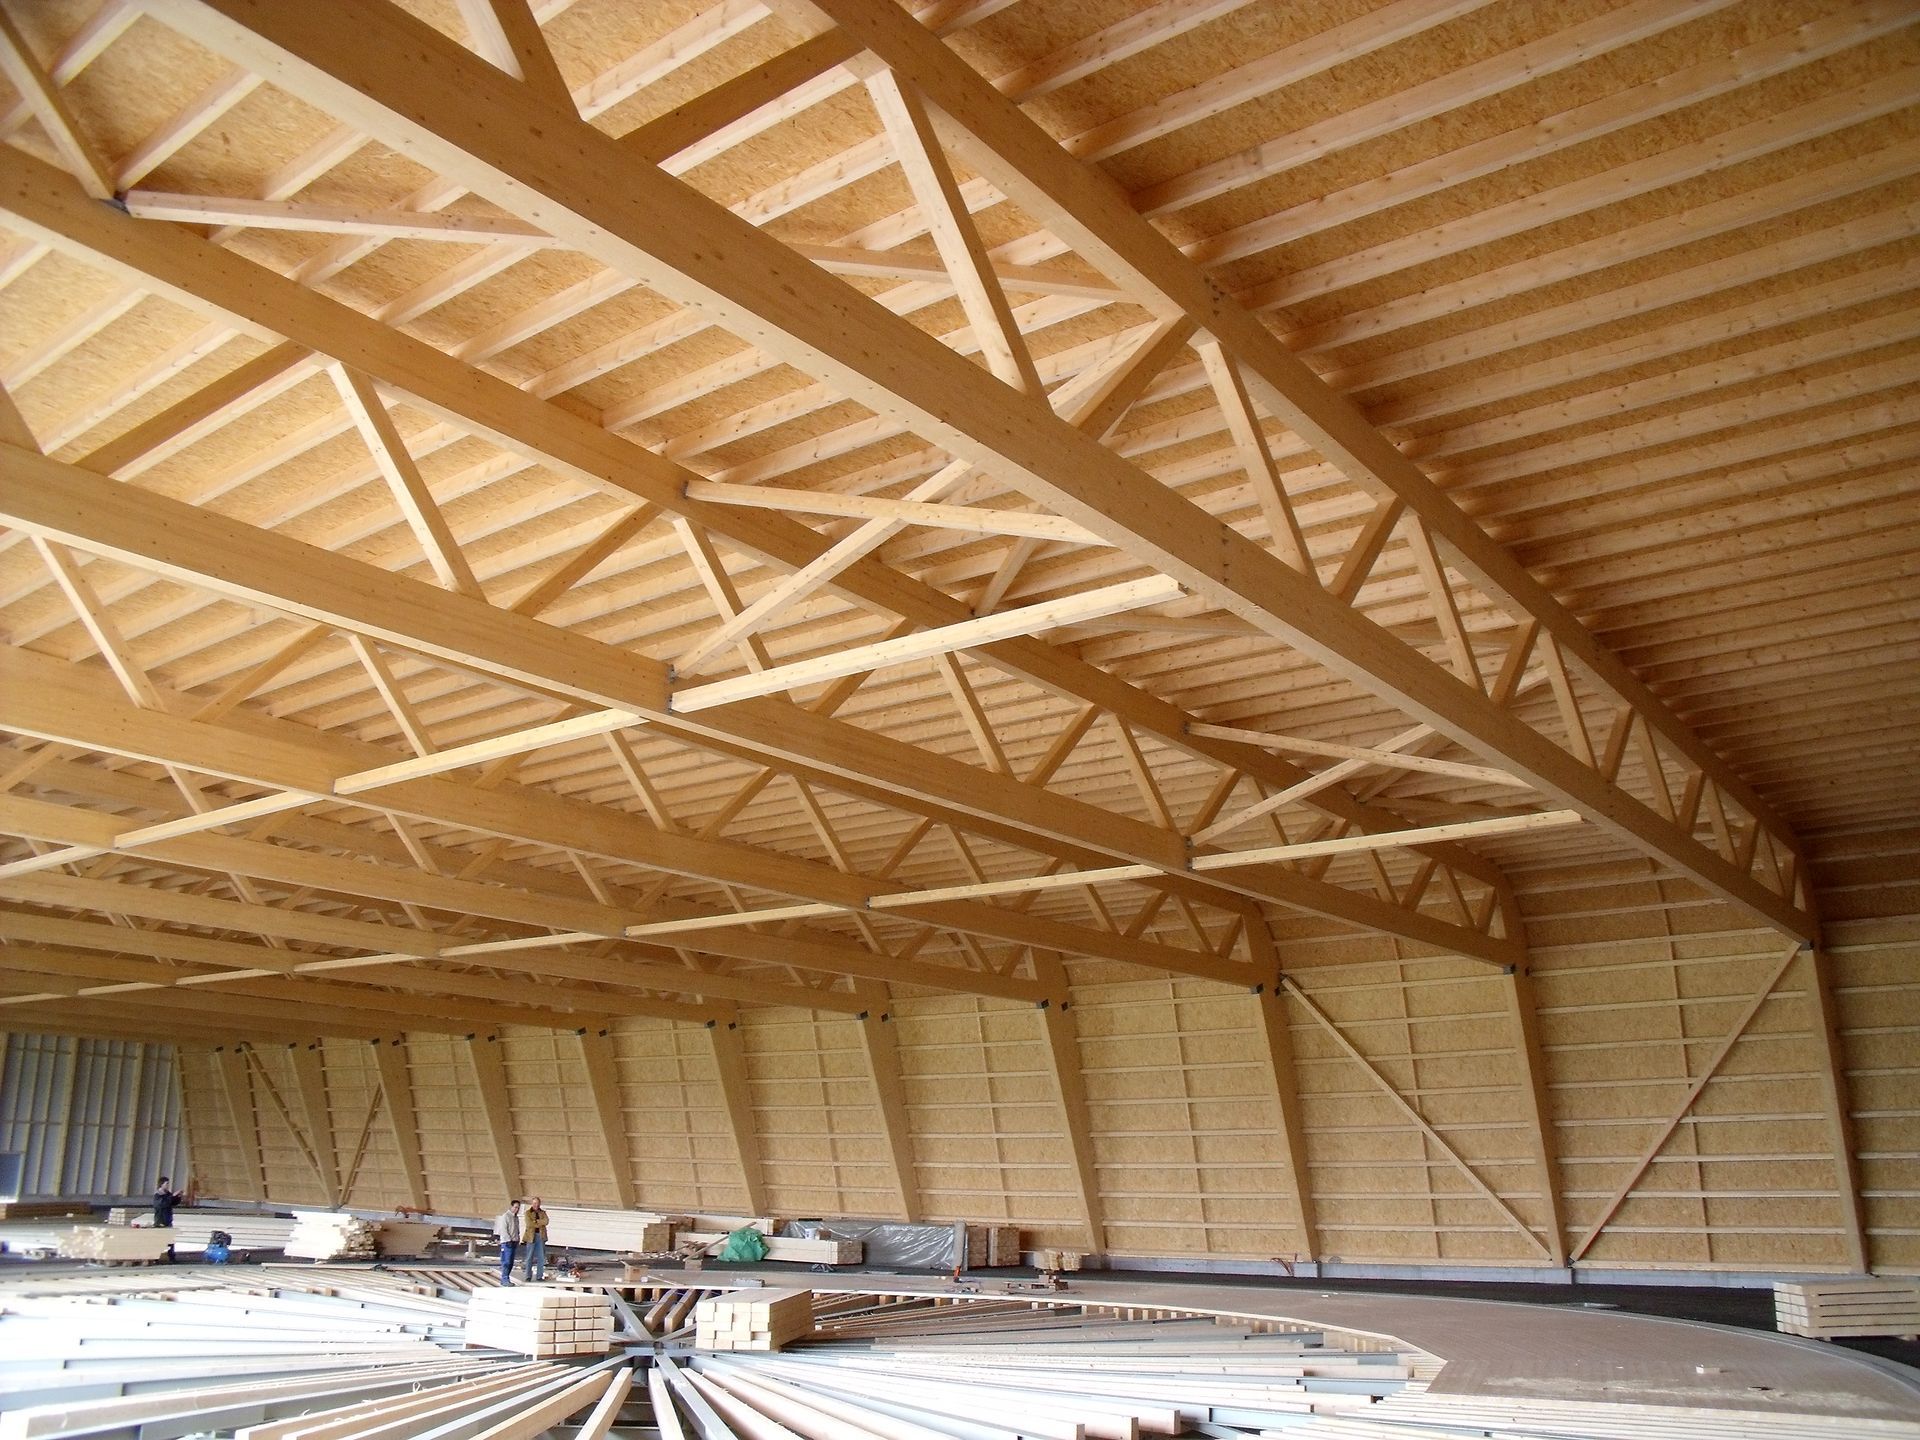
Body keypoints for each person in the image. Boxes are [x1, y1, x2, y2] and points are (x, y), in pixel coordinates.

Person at [152, 1175, 183, 1264]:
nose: (168, 1185)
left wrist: (178, 1197)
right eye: (166, 1184)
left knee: (170, 1240)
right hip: (160, 1220)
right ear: (161, 1184)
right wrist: (172, 1196)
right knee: (159, 1240)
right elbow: (162, 1204)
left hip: (168, 1219)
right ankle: (156, 1258)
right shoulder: (157, 1195)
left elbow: (172, 1202)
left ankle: (171, 1257)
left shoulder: (167, 1194)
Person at [494, 1198, 522, 1286]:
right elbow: (504, 1229)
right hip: (507, 1242)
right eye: (515, 1207)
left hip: (514, 1241)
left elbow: (517, 1230)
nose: (517, 1209)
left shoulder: (516, 1218)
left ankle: (507, 1278)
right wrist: (508, 1239)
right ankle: (504, 1279)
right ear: (511, 1207)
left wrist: (517, 1238)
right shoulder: (506, 1216)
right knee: (506, 1262)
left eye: (518, 1208)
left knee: (511, 1262)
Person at [521, 1196, 549, 1282]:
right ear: (532, 1203)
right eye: (534, 1203)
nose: (536, 1205)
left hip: (541, 1236)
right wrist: (540, 1223)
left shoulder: (543, 1212)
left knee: (541, 1257)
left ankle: (539, 1276)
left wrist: (536, 1221)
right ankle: (528, 1276)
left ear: (539, 1204)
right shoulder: (528, 1213)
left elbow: (546, 1221)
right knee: (529, 1257)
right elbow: (529, 1224)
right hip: (531, 1237)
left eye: (537, 1203)